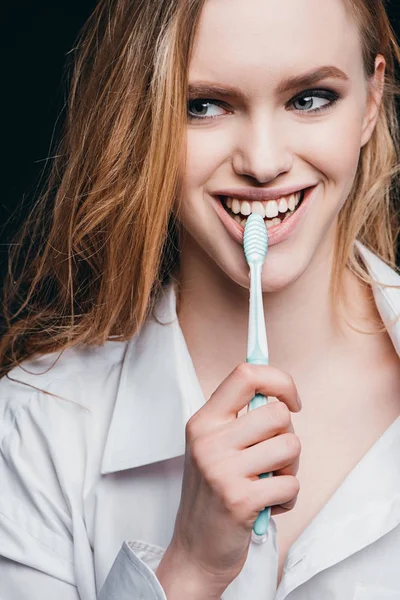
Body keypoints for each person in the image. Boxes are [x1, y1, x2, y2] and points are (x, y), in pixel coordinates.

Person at [1, 0, 400, 598]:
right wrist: (190, 568)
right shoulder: (32, 430)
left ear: (371, 101)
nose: (263, 164)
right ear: (144, 119)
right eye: (204, 106)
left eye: (309, 98)